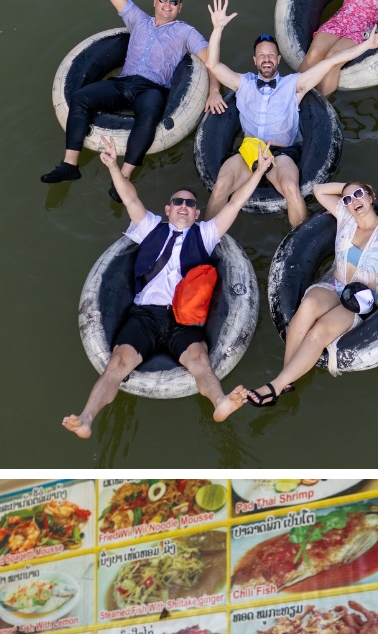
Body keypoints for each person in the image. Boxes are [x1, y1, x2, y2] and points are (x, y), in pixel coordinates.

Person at [61, 137, 274, 438]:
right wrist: (112, 166)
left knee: (199, 359)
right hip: (145, 315)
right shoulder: (150, 227)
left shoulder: (207, 234)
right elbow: (131, 198)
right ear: (168, 209)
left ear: (197, 213)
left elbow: (236, 202)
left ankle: (220, 401)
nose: (184, 206)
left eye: (190, 203)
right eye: (178, 202)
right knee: (117, 364)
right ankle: (86, 418)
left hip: (183, 319)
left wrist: (259, 171)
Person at [40, 0, 226, 197]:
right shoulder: (137, 19)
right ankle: (70, 164)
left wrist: (215, 90)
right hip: (122, 83)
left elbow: (212, 60)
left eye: (174, 1)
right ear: (155, 1)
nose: (167, 4)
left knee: (149, 112)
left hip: (152, 88)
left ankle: (124, 178)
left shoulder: (186, 32)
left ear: (179, 7)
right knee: (80, 97)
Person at [244, 179, 378, 408]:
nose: (353, 201)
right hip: (335, 285)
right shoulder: (346, 219)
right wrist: (347, 189)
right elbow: (319, 190)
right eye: (347, 199)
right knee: (307, 305)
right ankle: (286, 377)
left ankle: (275, 387)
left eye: (359, 195)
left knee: (320, 331)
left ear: (371, 196)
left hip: (360, 300)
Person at [202, 0, 378, 228]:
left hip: (281, 154)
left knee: (292, 189)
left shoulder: (294, 85)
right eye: (262, 55)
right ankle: (204, 240)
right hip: (249, 151)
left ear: (278, 59)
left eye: (271, 55)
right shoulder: (242, 83)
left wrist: (365, 46)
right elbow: (212, 64)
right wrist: (218, 29)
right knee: (221, 185)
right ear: (255, 60)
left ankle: (300, 243)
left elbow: (333, 60)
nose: (267, 59)